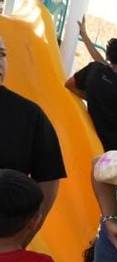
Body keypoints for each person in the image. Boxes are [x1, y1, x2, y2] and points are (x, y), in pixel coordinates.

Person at [0, 35, 66, 246]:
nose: (0, 62)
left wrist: (21, 239)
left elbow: (49, 179)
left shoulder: (29, 115)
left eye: (2, 54)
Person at [65, 37, 117, 151]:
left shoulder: (94, 70)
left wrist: (94, 99)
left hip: (93, 142)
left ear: (109, 56)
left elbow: (69, 84)